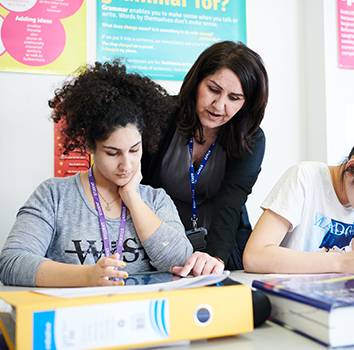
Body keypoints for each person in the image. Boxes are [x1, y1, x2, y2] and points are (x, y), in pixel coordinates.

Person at [0, 60, 199, 287]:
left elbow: (181, 261)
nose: (127, 164)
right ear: (89, 146)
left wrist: (132, 198)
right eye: (113, 153)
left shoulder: (155, 200)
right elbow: (12, 263)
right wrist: (87, 276)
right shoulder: (53, 196)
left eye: (135, 150)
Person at [141, 41, 269, 272]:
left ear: (246, 103)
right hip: (160, 237)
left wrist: (215, 257)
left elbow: (232, 201)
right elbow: (139, 187)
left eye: (234, 98)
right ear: (196, 82)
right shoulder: (161, 116)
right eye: (213, 89)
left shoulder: (251, 139)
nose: (219, 106)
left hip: (222, 239)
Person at [243, 147, 354, 274]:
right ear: (350, 168)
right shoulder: (305, 176)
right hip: (289, 289)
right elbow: (254, 257)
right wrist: (340, 262)